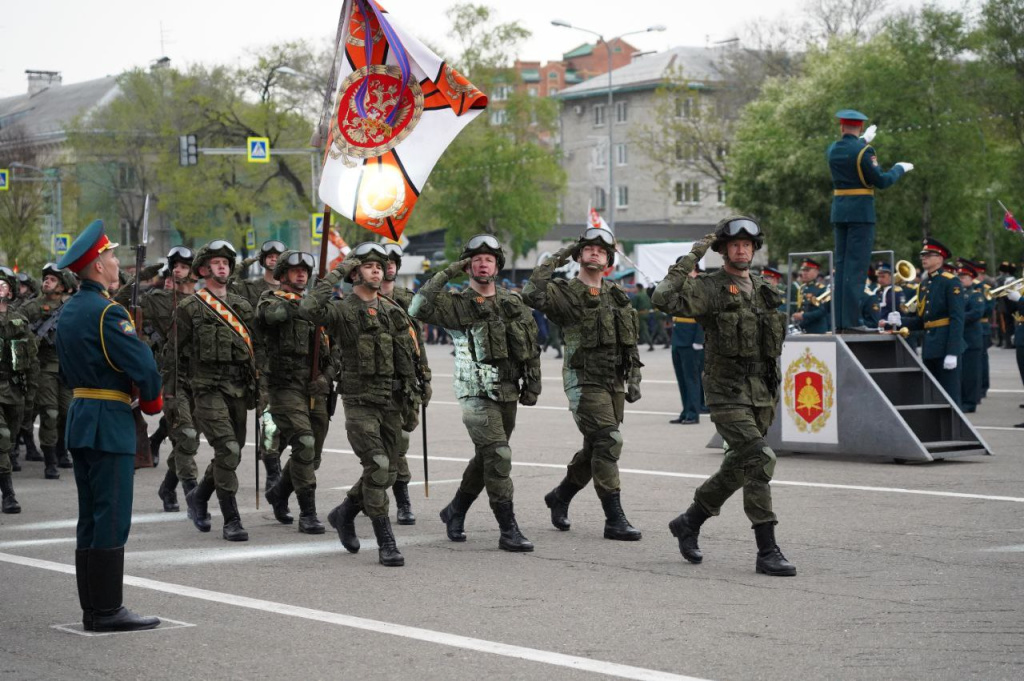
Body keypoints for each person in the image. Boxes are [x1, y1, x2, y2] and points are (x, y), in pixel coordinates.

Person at [652, 216, 796, 577]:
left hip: (762, 392)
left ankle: (689, 521)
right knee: (760, 459)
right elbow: (663, 297)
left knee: (737, 469)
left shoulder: (764, 288)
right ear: (722, 250)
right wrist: (694, 253)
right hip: (726, 391)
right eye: (734, 244)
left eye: (748, 244)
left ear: (755, 248)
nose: (742, 249)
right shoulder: (710, 288)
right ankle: (767, 550)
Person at [55, 220, 163, 631]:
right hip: (108, 421)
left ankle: (93, 608)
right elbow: (143, 365)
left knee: (91, 518)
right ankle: (107, 610)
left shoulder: (70, 311)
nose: (117, 262)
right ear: (98, 266)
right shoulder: (107, 312)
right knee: (113, 516)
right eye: (112, 256)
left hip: (82, 416)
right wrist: (152, 401)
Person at [410, 235, 540, 552]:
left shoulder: (513, 302)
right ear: (468, 265)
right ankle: (508, 529)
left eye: (489, 259)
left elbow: (531, 344)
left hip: (508, 391)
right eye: (476, 259)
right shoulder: (457, 304)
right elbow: (418, 306)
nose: (483, 263)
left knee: (487, 458)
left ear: (497, 266)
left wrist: (533, 383)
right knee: (498, 455)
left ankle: (455, 510)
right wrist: (447, 271)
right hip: (474, 393)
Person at [302, 243, 421, 567]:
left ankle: (345, 512)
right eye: (369, 266)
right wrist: (339, 269)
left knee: (388, 469)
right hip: (359, 401)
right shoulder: (342, 310)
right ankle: (386, 542)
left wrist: (414, 395)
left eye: (380, 267)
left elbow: (406, 356)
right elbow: (310, 308)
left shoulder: (391, 310)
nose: (377, 271)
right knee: (379, 465)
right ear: (356, 272)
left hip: (389, 401)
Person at [523, 228, 643, 541]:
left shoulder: (616, 295)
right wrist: (560, 254)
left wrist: (635, 377)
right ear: (579, 255)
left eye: (601, 251)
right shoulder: (565, 292)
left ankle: (560, 496)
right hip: (583, 380)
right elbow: (531, 293)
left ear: (608, 260)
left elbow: (629, 339)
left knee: (596, 448)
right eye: (588, 249)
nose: (594, 253)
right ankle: (614, 518)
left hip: (613, 381)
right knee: (608, 440)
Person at [177, 240, 260, 542]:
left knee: (232, 455)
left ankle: (199, 496)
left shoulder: (242, 307)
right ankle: (232, 519)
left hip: (237, 390)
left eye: (226, 261)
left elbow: (256, 351)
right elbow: (172, 357)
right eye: (215, 262)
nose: (222, 265)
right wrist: (174, 397)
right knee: (228, 449)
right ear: (203, 269)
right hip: (206, 389)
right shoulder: (190, 308)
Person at [260, 251, 333, 534]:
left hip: (315, 388)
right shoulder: (270, 301)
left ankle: (279, 493)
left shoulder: (318, 307)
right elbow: (272, 316)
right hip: (284, 386)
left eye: (305, 270)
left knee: (311, 455)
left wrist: (326, 378)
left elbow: (334, 350)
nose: (301, 274)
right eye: (294, 270)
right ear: (281, 275)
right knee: (303, 442)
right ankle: (308, 513)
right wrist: (310, 303)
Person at [827, 109, 912, 332]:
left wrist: (863, 141)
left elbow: (848, 153)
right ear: (861, 127)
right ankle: (853, 322)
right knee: (856, 269)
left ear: (841, 127)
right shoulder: (866, 151)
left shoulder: (833, 150)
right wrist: (899, 169)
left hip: (839, 212)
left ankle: (840, 321)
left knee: (842, 266)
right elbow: (882, 181)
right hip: (861, 214)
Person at [380, 242, 432, 527]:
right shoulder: (364, 300)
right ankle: (379, 499)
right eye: (382, 261)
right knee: (379, 449)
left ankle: (401, 501)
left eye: (392, 262)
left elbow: (417, 343)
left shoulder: (407, 299)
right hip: (373, 386)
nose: (388, 266)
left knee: (399, 444)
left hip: (403, 385)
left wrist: (424, 376)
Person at [231, 239, 287, 490]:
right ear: (263, 259)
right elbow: (228, 286)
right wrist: (245, 262)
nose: (274, 259)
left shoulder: (292, 290)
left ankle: (271, 461)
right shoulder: (251, 288)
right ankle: (270, 467)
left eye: (279, 256)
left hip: (283, 362)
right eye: (269, 255)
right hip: (255, 359)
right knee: (258, 419)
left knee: (278, 420)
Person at [885, 239, 965, 408]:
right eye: (923, 255)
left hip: (945, 346)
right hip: (930, 346)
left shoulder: (950, 281)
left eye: (929, 255)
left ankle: (955, 433)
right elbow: (923, 321)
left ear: (940, 258)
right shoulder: (924, 284)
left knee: (949, 397)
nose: (924, 258)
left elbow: (957, 319)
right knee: (933, 396)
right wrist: (899, 321)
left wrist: (953, 351)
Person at [20, 263, 78, 477]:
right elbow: (18, 329)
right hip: (44, 368)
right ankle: (50, 460)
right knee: (50, 413)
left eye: (53, 279)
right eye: (46, 278)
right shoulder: (32, 307)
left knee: (68, 412)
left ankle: (63, 451)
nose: (47, 281)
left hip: (67, 367)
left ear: (63, 286)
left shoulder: (71, 306)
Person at [0, 266, 38, 513]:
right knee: (2, 439)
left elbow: (32, 360)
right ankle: (9, 496)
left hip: (14, 389)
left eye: (3, 285)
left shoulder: (19, 320)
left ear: (10, 292)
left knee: (10, 441)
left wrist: (31, 394)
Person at [669, 260, 705, 425]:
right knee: (682, 379)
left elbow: (703, 315)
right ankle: (685, 411)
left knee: (692, 378)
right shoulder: (679, 287)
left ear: (694, 269)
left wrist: (699, 340)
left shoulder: (699, 287)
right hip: (678, 338)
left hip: (691, 340)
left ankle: (693, 413)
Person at [956, 260, 986, 413]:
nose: (961, 279)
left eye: (964, 277)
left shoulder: (976, 295)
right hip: (961, 339)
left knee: (971, 373)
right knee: (961, 373)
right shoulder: (957, 294)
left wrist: (956, 317)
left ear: (971, 278)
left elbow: (975, 314)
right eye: (959, 276)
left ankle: (970, 402)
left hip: (972, 339)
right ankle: (962, 400)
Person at [789, 258, 831, 334]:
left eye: (807, 270)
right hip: (803, 329)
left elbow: (822, 311)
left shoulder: (822, 289)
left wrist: (803, 316)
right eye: (803, 270)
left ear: (816, 272)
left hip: (817, 330)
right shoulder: (802, 288)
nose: (804, 273)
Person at [861, 262, 905, 328]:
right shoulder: (876, 291)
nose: (880, 279)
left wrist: (887, 322)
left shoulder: (896, 291)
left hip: (890, 326)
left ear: (891, 277)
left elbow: (901, 313)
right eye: (879, 276)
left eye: (883, 276)